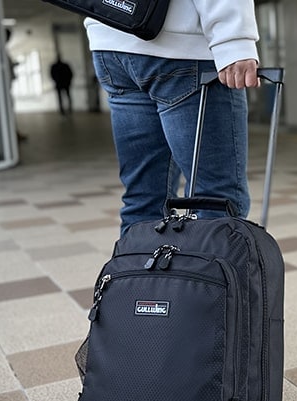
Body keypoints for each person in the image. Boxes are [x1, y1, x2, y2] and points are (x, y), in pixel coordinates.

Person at [84, 2, 260, 236]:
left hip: (111, 39)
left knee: (144, 198)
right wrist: (234, 39)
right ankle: (200, 272)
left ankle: (141, 272)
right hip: (181, 46)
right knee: (215, 199)